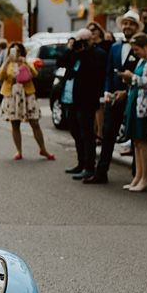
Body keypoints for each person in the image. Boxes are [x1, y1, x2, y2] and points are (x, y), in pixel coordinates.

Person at [88, 10, 141, 184]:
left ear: (137, 26)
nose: (127, 26)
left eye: (131, 24)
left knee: (135, 137)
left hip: (133, 96)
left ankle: (137, 174)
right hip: (113, 97)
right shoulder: (115, 47)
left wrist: (126, 91)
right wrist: (107, 91)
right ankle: (101, 171)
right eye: (125, 23)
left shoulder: (142, 46)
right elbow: (109, 72)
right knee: (108, 134)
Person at [61, 29, 106, 180]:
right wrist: (70, 48)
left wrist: (84, 51)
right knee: (75, 132)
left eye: (83, 40)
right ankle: (81, 163)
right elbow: (61, 63)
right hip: (71, 99)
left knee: (87, 134)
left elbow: (95, 72)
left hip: (86, 100)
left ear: (90, 40)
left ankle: (89, 166)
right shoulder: (74, 52)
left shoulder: (96, 53)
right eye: (78, 39)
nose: (80, 43)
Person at [0, 42, 54, 161]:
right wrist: (7, 61)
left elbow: (34, 74)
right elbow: (1, 77)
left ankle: (43, 149)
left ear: (22, 52)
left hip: (27, 95)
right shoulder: (8, 63)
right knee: (15, 124)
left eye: (18, 51)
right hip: (12, 96)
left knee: (35, 122)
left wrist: (25, 62)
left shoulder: (25, 62)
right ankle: (19, 151)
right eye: (13, 50)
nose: (16, 53)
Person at [119, 33, 147, 192]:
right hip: (135, 101)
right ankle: (138, 176)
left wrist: (132, 77)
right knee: (136, 141)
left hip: (145, 103)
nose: (135, 53)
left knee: (143, 141)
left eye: (137, 49)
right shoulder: (142, 60)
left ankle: (146, 177)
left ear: (146, 46)